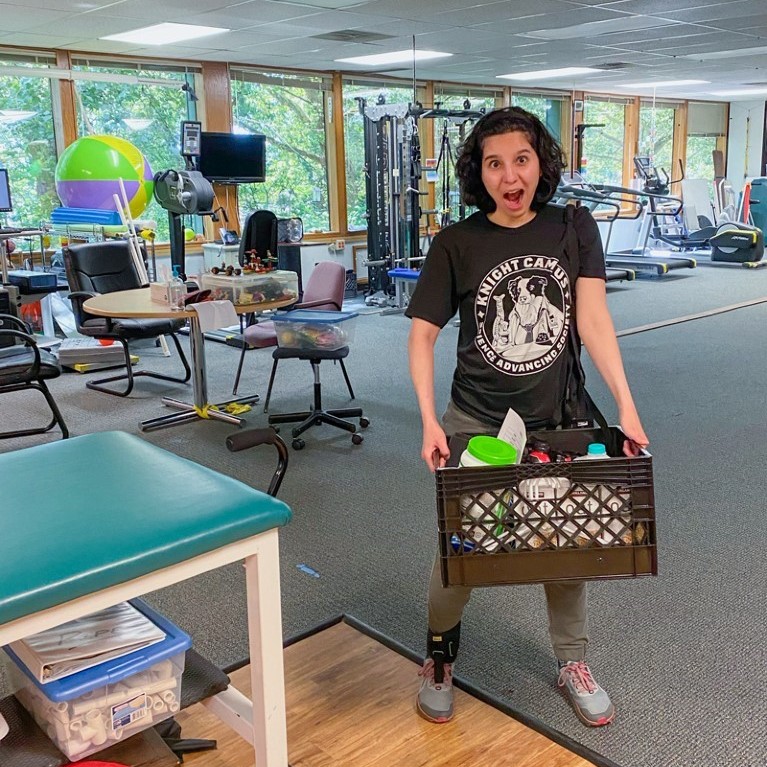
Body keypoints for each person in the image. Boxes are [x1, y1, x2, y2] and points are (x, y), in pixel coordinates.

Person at [405, 106, 648, 728]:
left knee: (565, 540)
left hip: (558, 416)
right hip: (474, 418)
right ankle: (438, 656)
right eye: (494, 163)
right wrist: (430, 421)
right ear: (478, 172)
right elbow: (422, 337)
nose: (509, 176)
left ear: (540, 164)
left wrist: (627, 405)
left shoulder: (573, 228)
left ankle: (572, 661)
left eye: (521, 159)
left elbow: (593, 321)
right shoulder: (456, 242)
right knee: (465, 549)